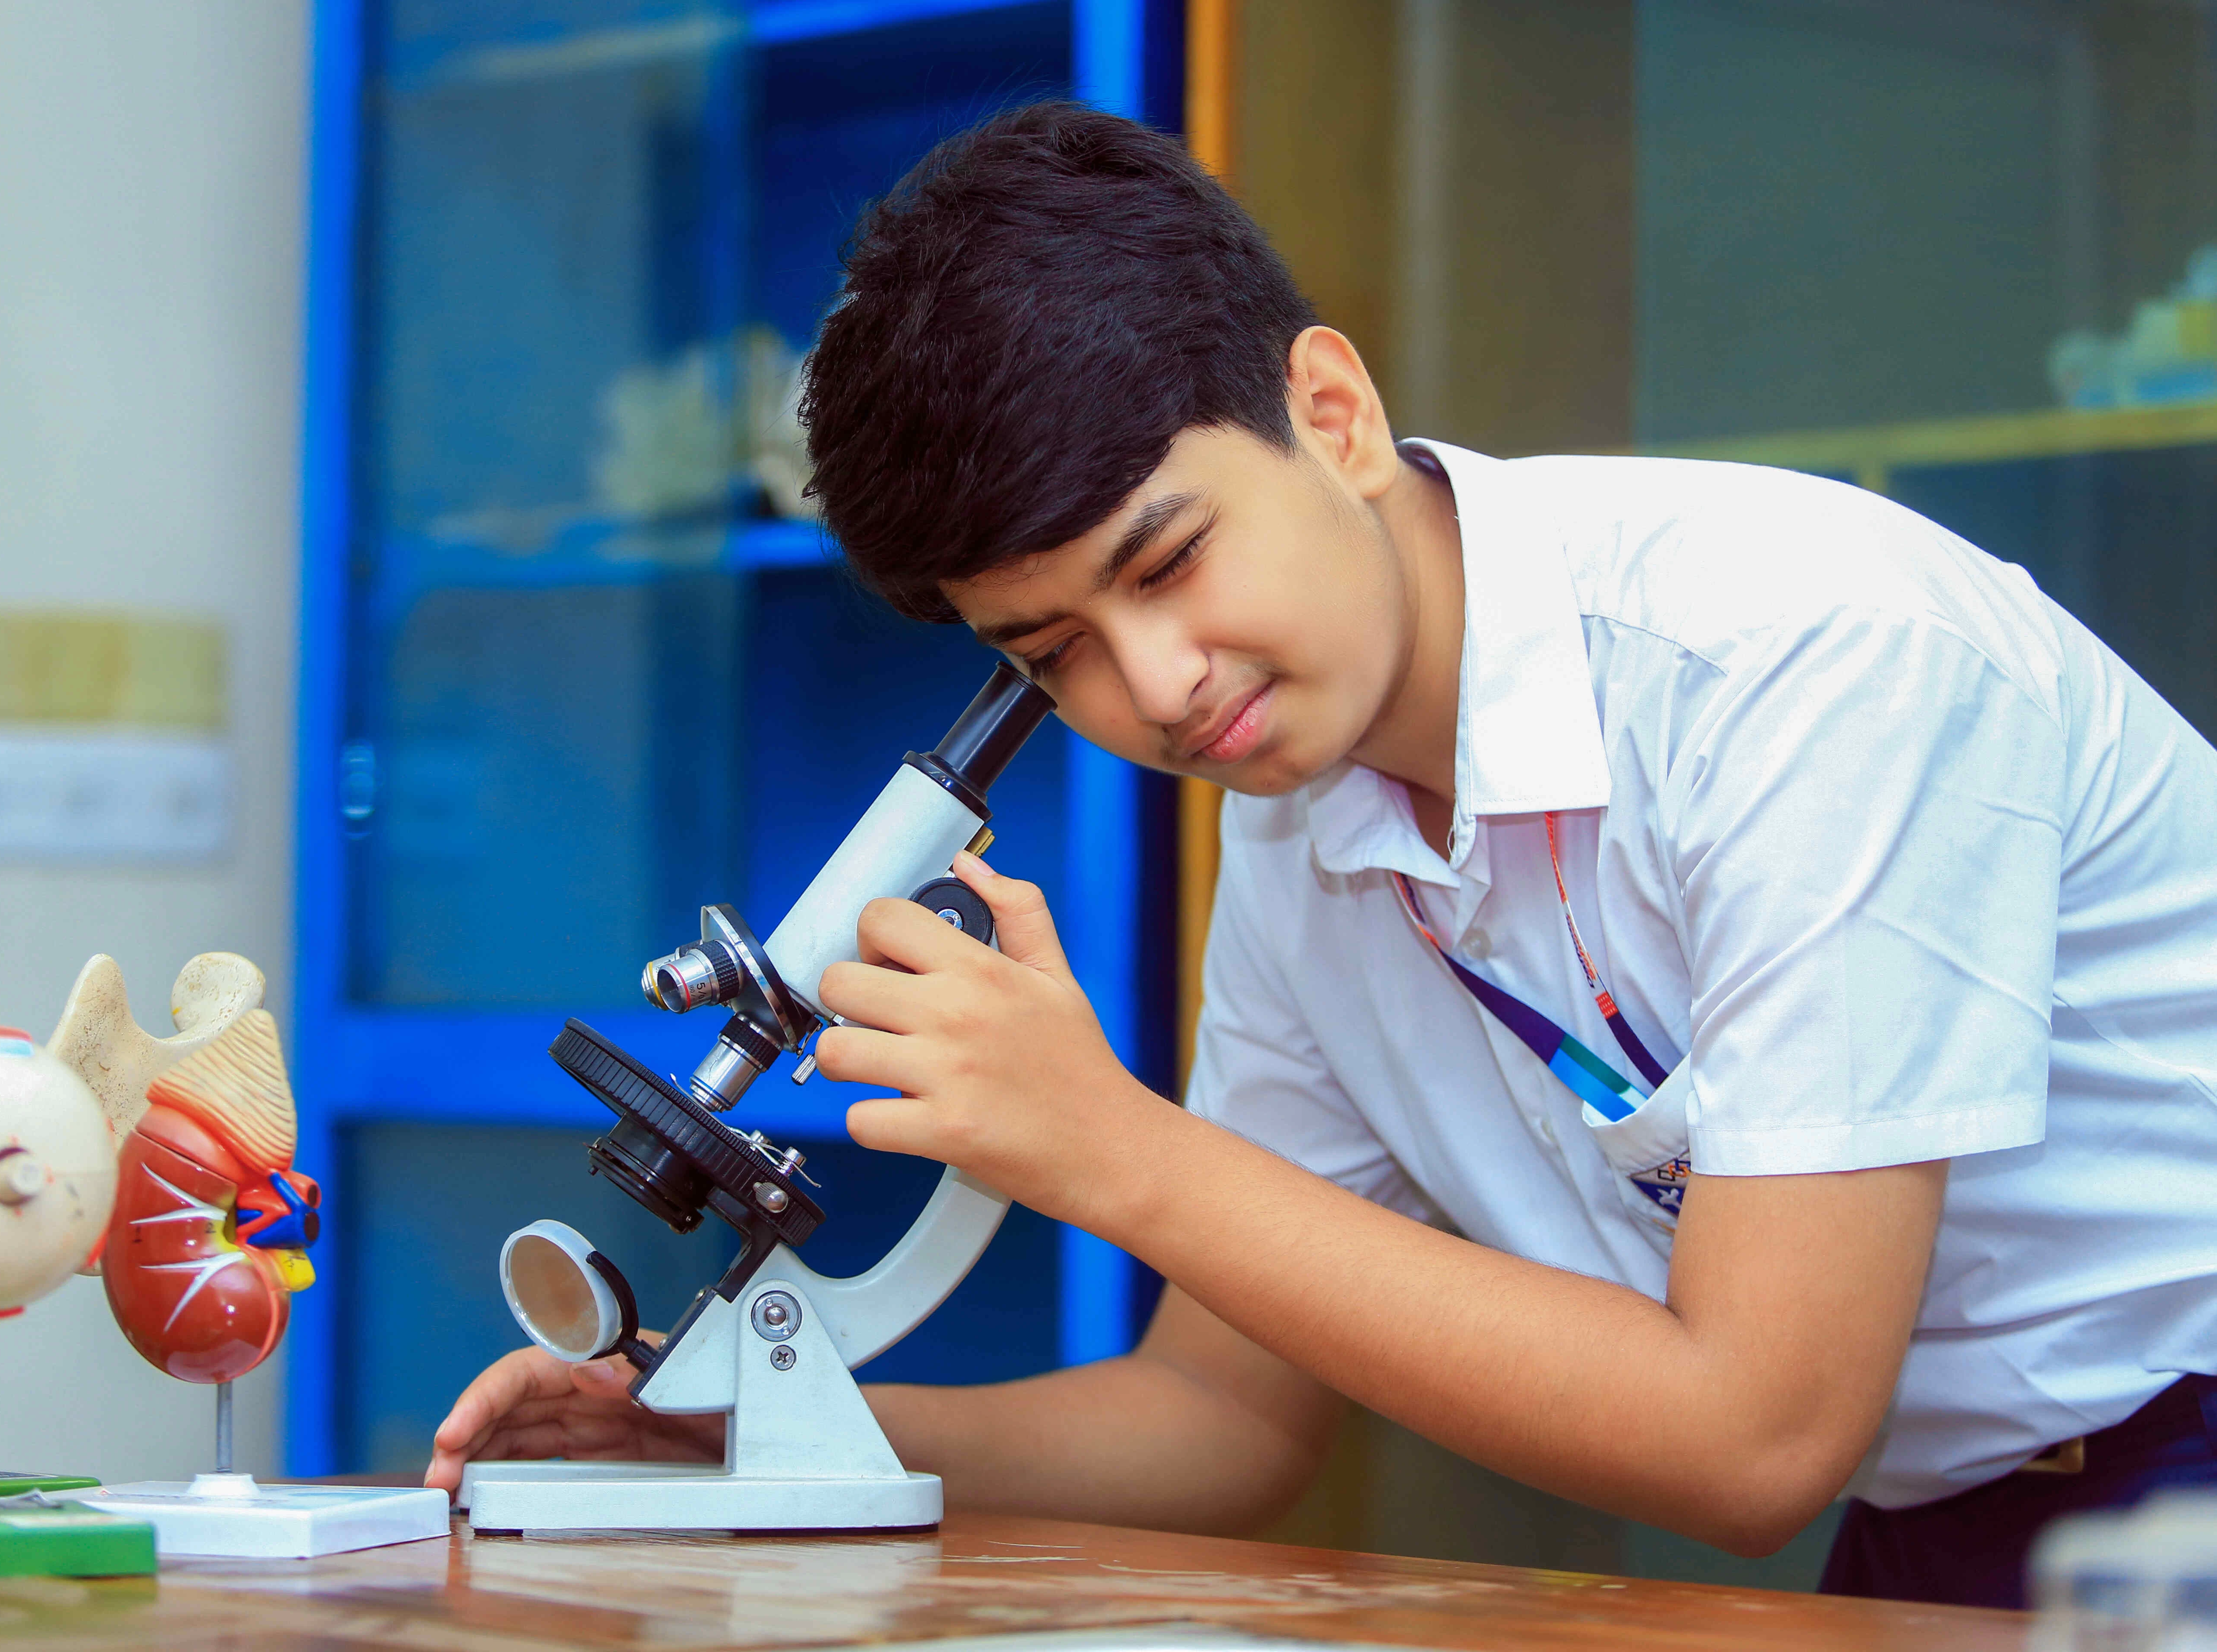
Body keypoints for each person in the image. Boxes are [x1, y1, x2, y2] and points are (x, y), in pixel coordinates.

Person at [428, 102, 2217, 1609]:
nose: (1157, 689)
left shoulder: (1808, 661)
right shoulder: (1310, 834)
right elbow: (1219, 1421)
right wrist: (729, 1439)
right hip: (1947, 1522)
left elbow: (1754, 1438)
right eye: (1052, 656)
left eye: (1166, 560)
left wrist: (1112, 1146)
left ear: (1333, 414)